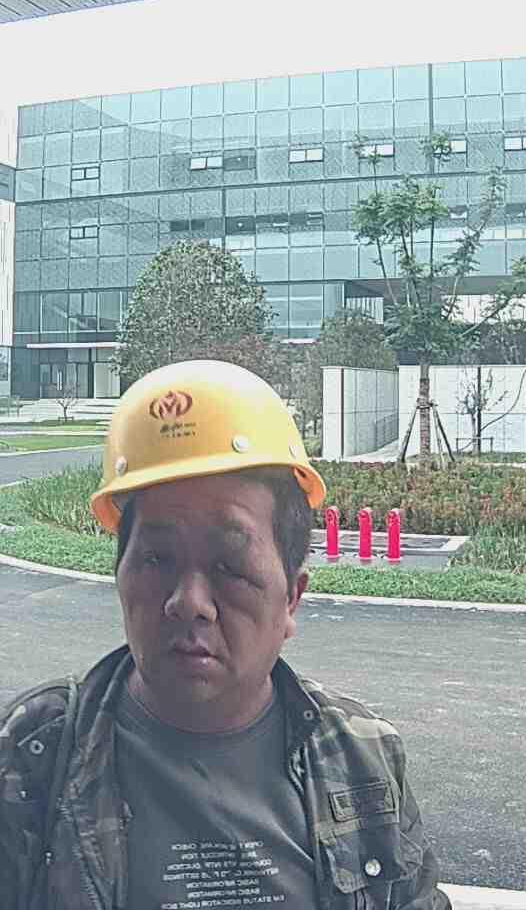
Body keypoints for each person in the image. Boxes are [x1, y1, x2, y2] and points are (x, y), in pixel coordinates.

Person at [0, 360, 450, 910]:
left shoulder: (362, 759)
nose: (188, 602)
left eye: (230, 567)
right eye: (157, 559)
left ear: (291, 598)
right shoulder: (34, 755)